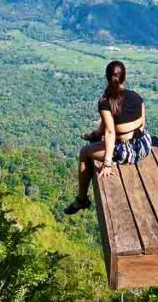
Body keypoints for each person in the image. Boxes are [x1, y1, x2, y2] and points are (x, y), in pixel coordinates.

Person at [64, 60, 151, 215]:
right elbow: (141, 125)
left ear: (106, 77)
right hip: (143, 145)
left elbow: (110, 132)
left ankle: (82, 200)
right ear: (124, 77)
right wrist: (96, 134)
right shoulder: (137, 97)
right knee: (96, 140)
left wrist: (107, 163)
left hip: (127, 151)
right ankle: (82, 198)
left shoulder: (105, 102)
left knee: (85, 152)